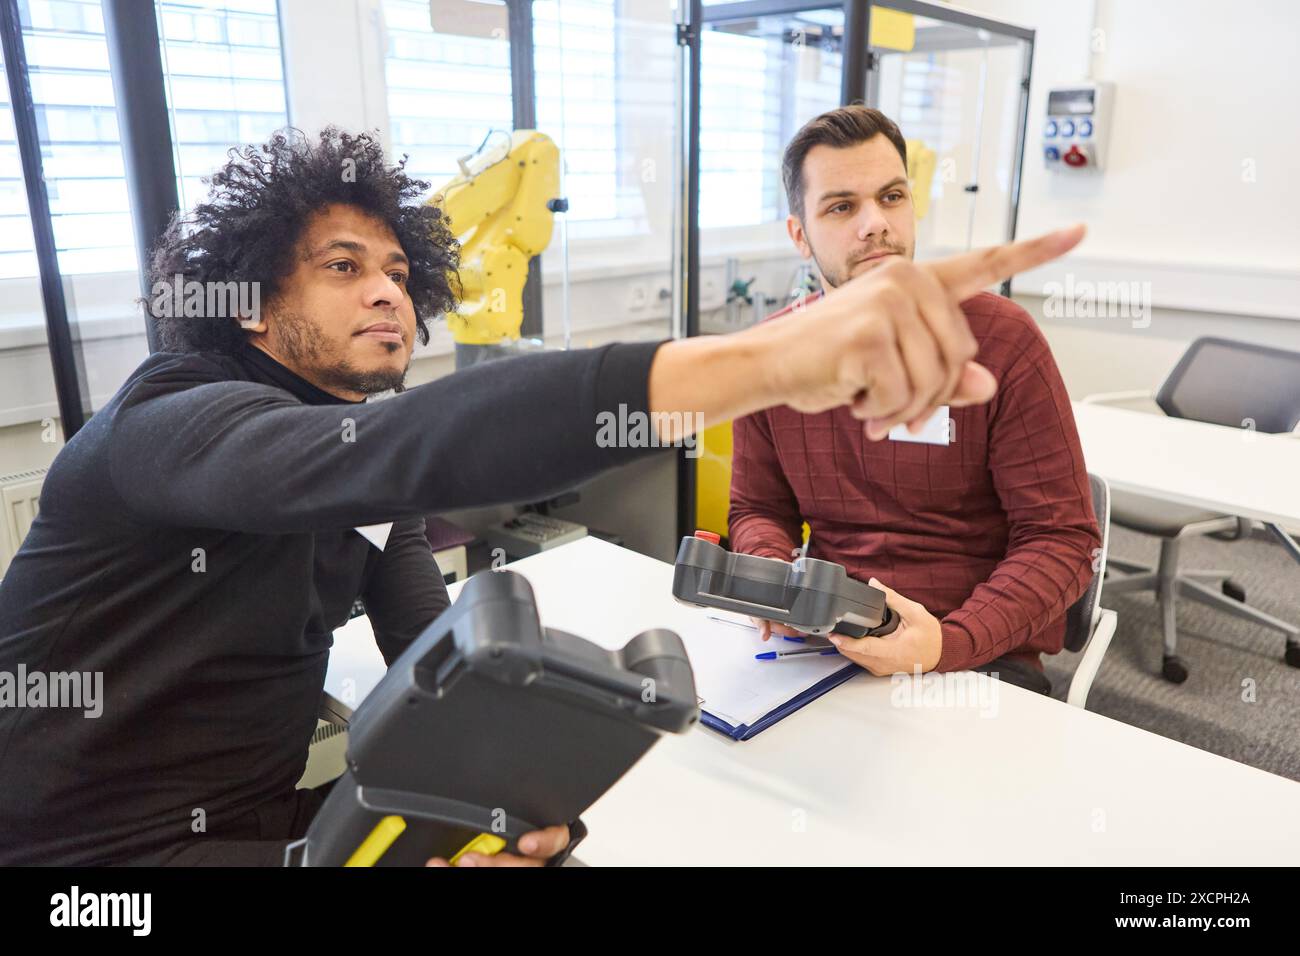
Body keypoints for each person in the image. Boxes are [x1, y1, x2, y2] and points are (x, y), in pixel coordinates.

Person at [0, 126, 1082, 865]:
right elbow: (394, 452)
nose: (385, 287)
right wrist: (763, 363)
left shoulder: (352, 468)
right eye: (340, 267)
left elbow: (438, 637)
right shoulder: (167, 427)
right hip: (87, 864)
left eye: (394, 267)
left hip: (245, 826)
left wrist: (486, 782)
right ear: (246, 304)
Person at [730, 106, 1100, 690]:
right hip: (826, 640)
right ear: (800, 235)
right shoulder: (772, 354)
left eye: (892, 197)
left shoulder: (1001, 339)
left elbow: (1062, 540)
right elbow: (757, 511)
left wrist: (948, 643)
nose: (875, 223)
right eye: (842, 206)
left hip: (975, 651)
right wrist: (770, 574)